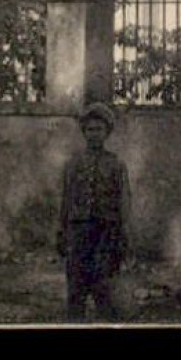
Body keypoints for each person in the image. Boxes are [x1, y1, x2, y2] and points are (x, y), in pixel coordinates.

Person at [58, 102, 131, 321]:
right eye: (90, 130)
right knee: (76, 285)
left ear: (107, 132)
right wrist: (62, 231)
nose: (94, 134)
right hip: (78, 230)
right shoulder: (73, 164)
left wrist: (123, 232)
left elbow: (124, 200)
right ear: (84, 132)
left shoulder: (116, 165)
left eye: (99, 130)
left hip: (105, 231)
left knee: (104, 285)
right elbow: (66, 199)